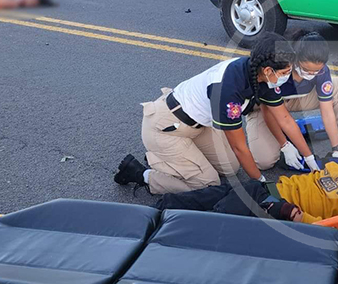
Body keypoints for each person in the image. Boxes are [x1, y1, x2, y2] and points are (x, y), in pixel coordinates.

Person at [114, 33, 321, 194]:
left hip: (199, 126)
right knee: (208, 184)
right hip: (167, 128)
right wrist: (261, 183)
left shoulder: (260, 74)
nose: (288, 76)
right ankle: (147, 174)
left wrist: (310, 160)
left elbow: (285, 119)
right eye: (285, 73)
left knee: (230, 168)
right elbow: (240, 147)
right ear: (268, 70)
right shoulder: (228, 90)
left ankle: (176, 161)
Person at [154, 134, 338, 224]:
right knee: (213, 194)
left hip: (278, 208)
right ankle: (157, 211)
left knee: (218, 214)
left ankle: (178, 232)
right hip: (268, 189)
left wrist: (297, 216)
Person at [246, 31, 338, 170]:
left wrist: (337, 148)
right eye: (306, 70)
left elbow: (327, 111)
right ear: (295, 60)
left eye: (316, 71)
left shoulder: (321, 71)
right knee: (264, 161)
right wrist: (285, 145)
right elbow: (268, 110)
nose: (311, 74)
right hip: (266, 107)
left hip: (295, 100)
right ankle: (285, 135)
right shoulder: (279, 69)